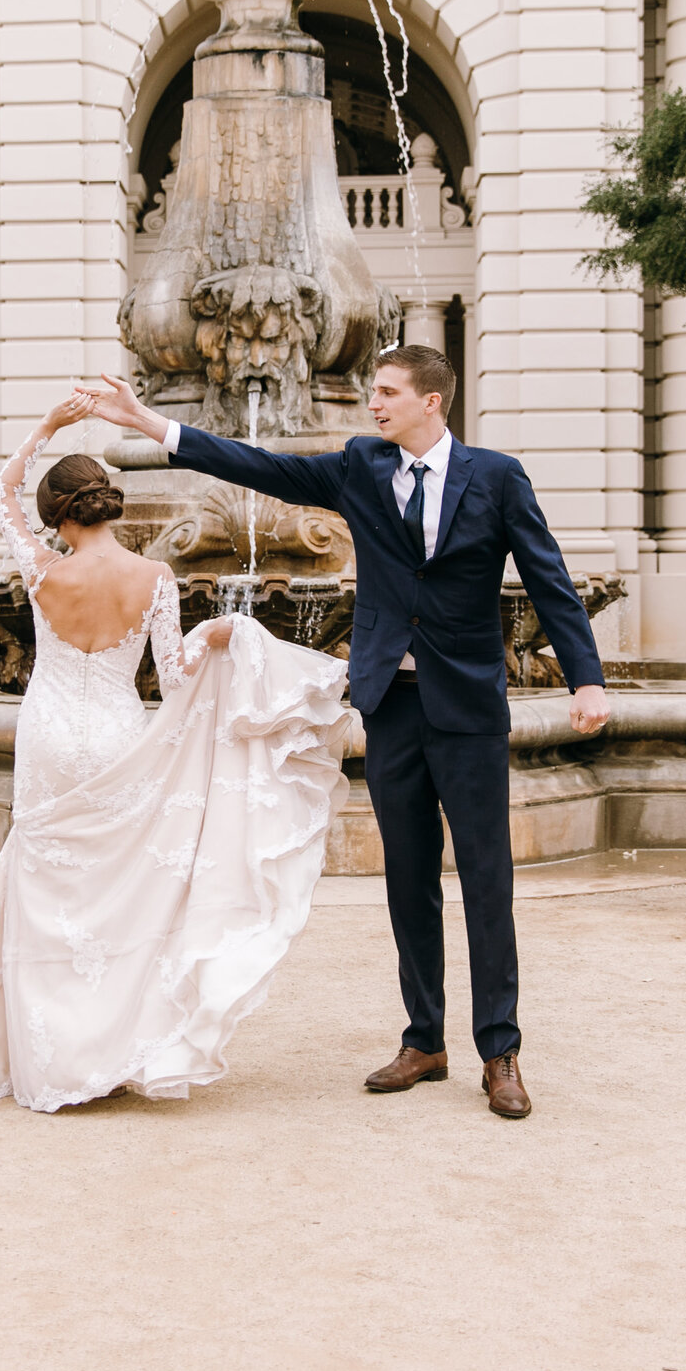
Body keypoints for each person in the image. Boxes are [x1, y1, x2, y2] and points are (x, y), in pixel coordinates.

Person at [79, 344, 613, 1120]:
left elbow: (548, 578)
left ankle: (500, 1050)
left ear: (433, 401)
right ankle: (424, 1040)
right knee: (408, 879)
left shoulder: (497, 477)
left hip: (468, 707)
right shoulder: (362, 464)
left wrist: (586, 677)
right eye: (373, 392)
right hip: (391, 704)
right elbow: (259, 465)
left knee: (487, 882)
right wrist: (153, 426)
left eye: (389, 392)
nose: (374, 403)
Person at [0, 391, 355, 1113]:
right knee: (112, 891)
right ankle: (108, 1045)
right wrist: (220, 635)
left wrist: (48, 424)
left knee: (43, 882)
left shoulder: (41, 570)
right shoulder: (156, 579)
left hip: (50, 733)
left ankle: (45, 1059)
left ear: (60, 514)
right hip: (119, 734)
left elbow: (1, 490)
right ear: (110, 507)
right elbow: (176, 677)